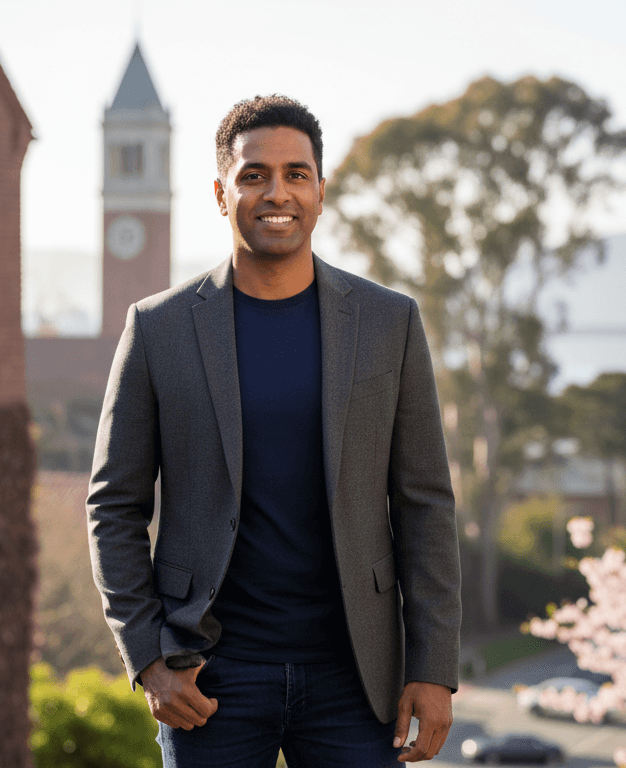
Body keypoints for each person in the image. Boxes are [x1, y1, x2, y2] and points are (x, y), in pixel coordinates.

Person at [87, 94, 460, 767]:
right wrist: (147, 658)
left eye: (296, 174)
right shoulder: (158, 329)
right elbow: (113, 506)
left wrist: (433, 667)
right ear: (221, 194)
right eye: (253, 175)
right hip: (209, 679)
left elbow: (426, 504)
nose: (276, 193)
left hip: (355, 678)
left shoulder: (388, 324)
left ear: (321, 192)